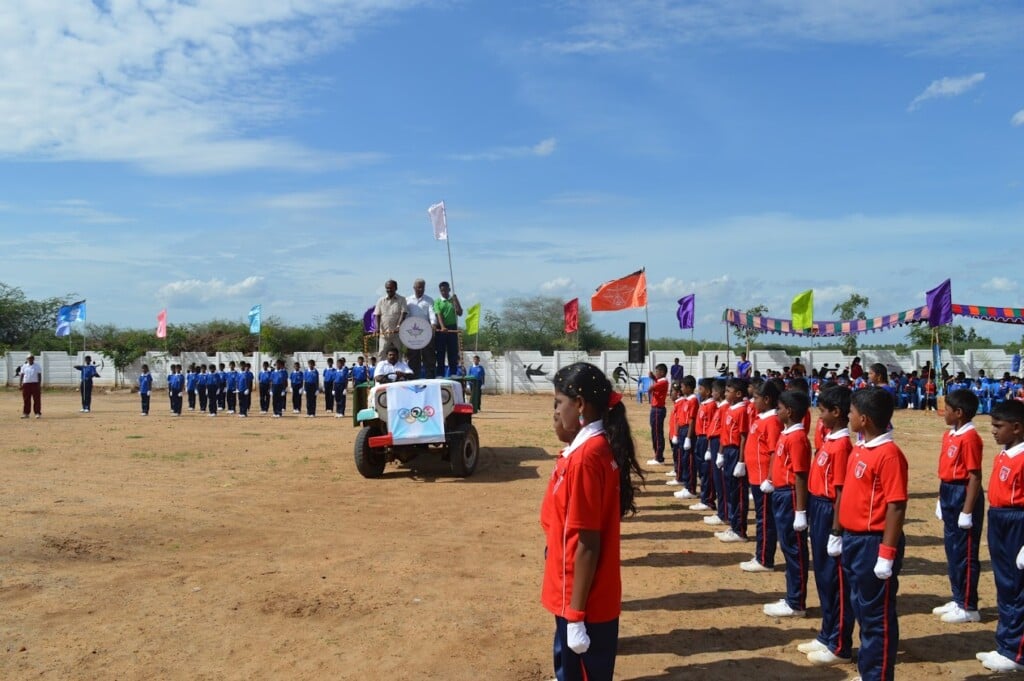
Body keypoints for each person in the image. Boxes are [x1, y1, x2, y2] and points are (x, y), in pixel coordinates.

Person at [540, 362, 644, 681]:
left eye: (559, 403)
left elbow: (587, 542)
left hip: (582, 599)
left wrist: (575, 616)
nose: (555, 412)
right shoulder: (585, 450)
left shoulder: (586, 459)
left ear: (580, 405)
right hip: (576, 590)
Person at [836, 388, 908, 681]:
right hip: (854, 541)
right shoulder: (862, 448)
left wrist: (886, 554)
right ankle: (869, 671)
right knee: (861, 611)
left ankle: (877, 675)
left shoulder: (889, 456)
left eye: (851, 413)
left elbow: (896, 506)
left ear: (863, 419)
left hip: (873, 543)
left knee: (876, 616)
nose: (848, 417)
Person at [800, 384, 854, 666]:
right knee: (822, 576)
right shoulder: (830, 441)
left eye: (822, 411)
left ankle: (840, 643)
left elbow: (842, 491)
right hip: (819, 508)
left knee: (836, 581)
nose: (818, 416)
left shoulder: (843, 445)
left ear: (837, 412)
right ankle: (826, 633)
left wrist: (837, 529)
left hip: (832, 511)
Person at [975, 400, 1024, 672]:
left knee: (1017, 588)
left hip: (1018, 522)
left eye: (998, 426)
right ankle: (1006, 645)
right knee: (1005, 585)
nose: (993, 431)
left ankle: (1016, 652)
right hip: (999, 519)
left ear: (1016, 428)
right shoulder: (1005, 453)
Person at [934, 388, 984, 625]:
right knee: (952, 550)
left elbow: (975, 475)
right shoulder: (950, 435)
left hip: (964, 493)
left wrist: (967, 510)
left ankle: (968, 605)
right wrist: (940, 499)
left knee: (964, 553)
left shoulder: (970, 438)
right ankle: (957, 597)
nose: (943, 413)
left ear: (960, 413)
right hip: (948, 491)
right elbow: (945, 469)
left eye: (948, 409)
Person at [762, 389, 811, 618]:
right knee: (787, 546)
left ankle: (796, 601)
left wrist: (800, 511)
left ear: (789, 411)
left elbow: (800, 475)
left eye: (779, 408)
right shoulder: (787, 433)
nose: (776, 412)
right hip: (781, 494)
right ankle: (792, 595)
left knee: (794, 549)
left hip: (791, 495)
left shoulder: (798, 438)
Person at [740, 380, 782, 573]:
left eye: (756, 398)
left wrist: (770, 478)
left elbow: (774, 452)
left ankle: (765, 559)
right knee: (761, 517)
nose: (753, 401)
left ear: (767, 399)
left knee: (765, 520)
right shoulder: (761, 418)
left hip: (764, 479)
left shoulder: (772, 421)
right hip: (756, 478)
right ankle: (761, 553)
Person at [690, 379, 718, 514]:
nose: (698, 392)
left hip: (705, 439)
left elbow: (711, 426)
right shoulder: (704, 404)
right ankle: (704, 496)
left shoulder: (712, 406)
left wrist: (708, 447)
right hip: (699, 439)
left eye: (700, 389)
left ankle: (708, 500)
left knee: (707, 471)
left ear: (707, 391)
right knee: (701, 470)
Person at [406, 278, 437, 379]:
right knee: (413, 356)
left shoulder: (429, 300)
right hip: (412, 333)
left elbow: (432, 313)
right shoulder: (408, 300)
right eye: (418, 287)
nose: (420, 289)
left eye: (422, 287)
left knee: (429, 356)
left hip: (426, 332)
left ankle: (430, 377)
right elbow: (406, 315)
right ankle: (413, 377)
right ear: (414, 288)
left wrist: (433, 323)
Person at [433, 281, 463, 378]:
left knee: (453, 351)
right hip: (442, 329)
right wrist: (442, 327)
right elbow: (439, 314)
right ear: (440, 291)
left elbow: (460, 312)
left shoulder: (452, 300)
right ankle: (440, 373)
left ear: (449, 290)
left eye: (446, 290)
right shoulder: (438, 301)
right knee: (440, 352)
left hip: (452, 328)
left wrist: (456, 301)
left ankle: (453, 372)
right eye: (442, 290)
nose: (444, 292)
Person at [374, 279, 407, 355]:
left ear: (396, 288)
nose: (389, 290)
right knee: (381, 353)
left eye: (391, 288)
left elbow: (403, 313)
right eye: (387, 288)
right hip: (384, 334)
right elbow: (377, 315)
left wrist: (398, 326)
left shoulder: (402, 299)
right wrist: (377, 328)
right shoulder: (381, 300)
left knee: (398, 354)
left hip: (397, 334)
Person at [645, 363, 669, 466]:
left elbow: (650, 389)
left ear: (662, 372)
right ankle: (658, 455)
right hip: (656, 409)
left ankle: (659, 457)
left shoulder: (663, 382)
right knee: (656, 432)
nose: (656, 373)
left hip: (657, 410)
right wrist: (653, 377)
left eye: (657, 372)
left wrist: (653, 379)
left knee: (657, 433)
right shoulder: (661, 381)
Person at [19, 353, 42, 418]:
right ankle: (26, 413)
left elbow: (39, 375)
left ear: (33, 359)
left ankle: (37, 413)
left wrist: (39, 385)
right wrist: (20, 384)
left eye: (31, 358)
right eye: (29, 358)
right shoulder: (24, 366)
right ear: (27, 359)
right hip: (26, 384)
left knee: (37, 399)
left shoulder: (37, 366)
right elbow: (22, 375)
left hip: (35, 384)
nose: (30, 359)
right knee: (26, 399)